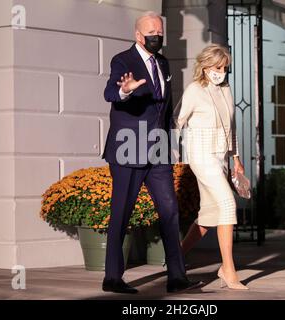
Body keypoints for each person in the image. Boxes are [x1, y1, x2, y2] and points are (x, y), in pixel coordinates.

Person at [102, 11, 202, 294]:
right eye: (151, 33)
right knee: (121, 213)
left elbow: (165, 108)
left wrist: (172, 138)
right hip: (127, 149)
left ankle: (177, 277)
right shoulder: (123, 60)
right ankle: (112, 278)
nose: (157, 37)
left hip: (158, 150)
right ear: (138, 35)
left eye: (160, 32)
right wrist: (125, 91)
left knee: (169, 212)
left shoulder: (163, 62)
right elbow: (110, 92)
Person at [173, 44, 249, 290]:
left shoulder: (225, 90)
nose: (221, 72)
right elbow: (177, 121)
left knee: (208, 215)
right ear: (205, 66)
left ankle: (176, 256)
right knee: (227, 204)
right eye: (217, 67)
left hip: (221, 159)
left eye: (224, 68)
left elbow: (232, 128)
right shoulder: (194, 90)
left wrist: (236, 159)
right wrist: (173, 151)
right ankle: (228, 270)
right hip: (201, 156)